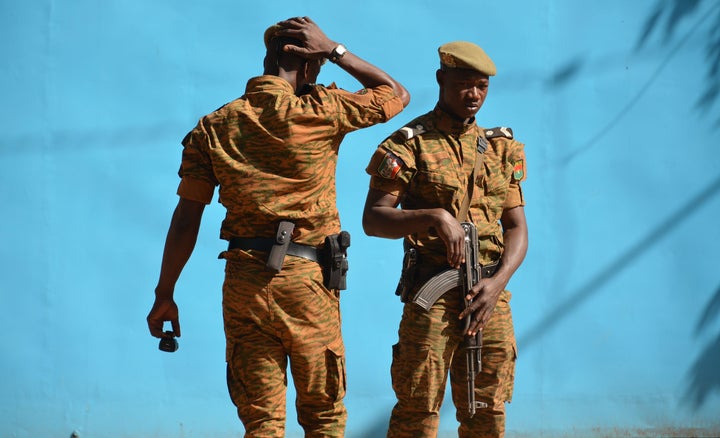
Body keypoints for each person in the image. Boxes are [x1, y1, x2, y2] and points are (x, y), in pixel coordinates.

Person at [146, 16, 410, 437]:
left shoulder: (214, 126)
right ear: (309, 67)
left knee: (261, 421)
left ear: (267, 60)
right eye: (318, 65)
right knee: (323, 416)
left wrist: (165, 293)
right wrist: (335, 49)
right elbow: (396, 94)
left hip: (244, 284)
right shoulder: (323, 110)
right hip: (306, 284)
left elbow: (185, 220)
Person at [362, 41, 528, 437]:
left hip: (489, 295)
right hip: (433, 293)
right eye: (464, 84)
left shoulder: (501, 149)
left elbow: (517, 227)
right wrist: (434, 217)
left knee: (487, 409)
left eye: (482, 86)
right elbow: (374, 219)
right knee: (418, 408)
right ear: (441, 79)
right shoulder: (409, 145)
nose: (473, 95)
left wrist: (498, 283)